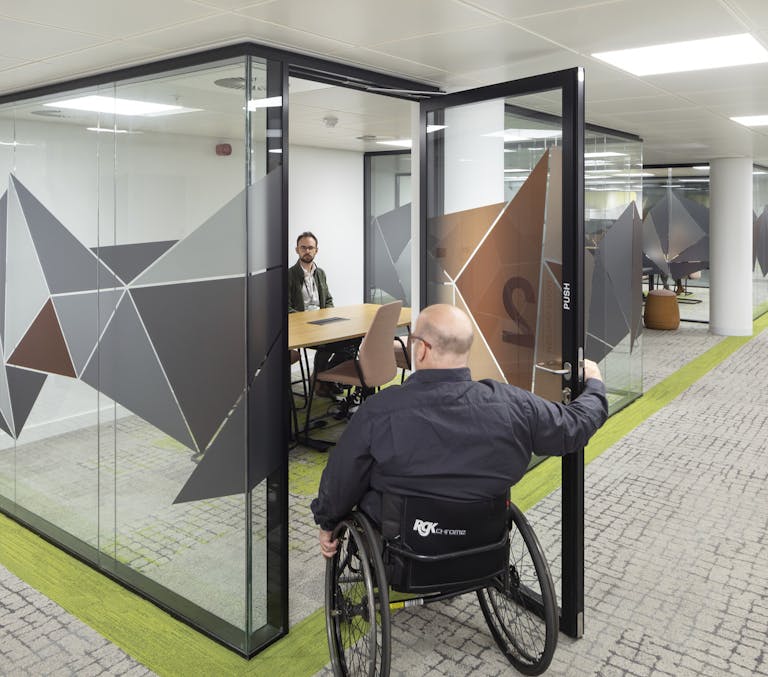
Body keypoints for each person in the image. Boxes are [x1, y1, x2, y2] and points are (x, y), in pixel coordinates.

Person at [311, 304, 608, 559]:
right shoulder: (513, 404)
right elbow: (574, 427)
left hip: (406, 552)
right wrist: (594, 384)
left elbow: (342, 478)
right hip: (485, 546)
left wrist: (327, 521)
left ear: (422, 349)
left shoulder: (379, 411)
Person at [288, 231, 358, 397]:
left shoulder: (321, 273)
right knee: (333, 344)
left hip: (322, 324)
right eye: (303, 247)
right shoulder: (289, 275)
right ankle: (321, 379)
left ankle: (323, 376)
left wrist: (330, 317)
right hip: (302, 328)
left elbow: (328, 300)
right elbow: (286, 307)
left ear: (316, 250)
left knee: (354, 340)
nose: (307, 251)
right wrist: (307, 321)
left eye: (310, 248)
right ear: (296, 250)